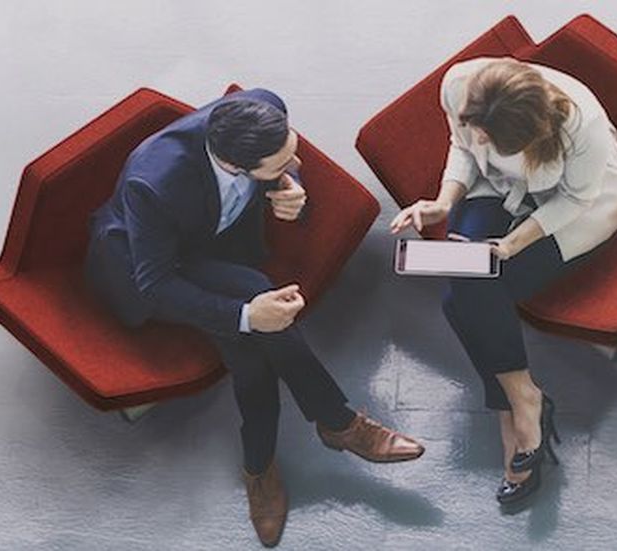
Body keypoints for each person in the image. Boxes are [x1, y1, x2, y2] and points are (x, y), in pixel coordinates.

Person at [86, 88, 425, 547]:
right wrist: (246, 316)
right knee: (254, 308)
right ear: (234, 166)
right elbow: (157, 284)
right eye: (279, 164)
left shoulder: (264, 106)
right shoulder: (154, 184)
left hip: (220, 246)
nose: (294, 159)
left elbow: (290, 165)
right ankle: (334, 425)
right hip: (157, 265)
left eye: (291, 148)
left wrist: (291, 189)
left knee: (250, 353)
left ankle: (264, 466)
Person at [388, 57, 617, 507]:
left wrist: (512, 244)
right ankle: (523, 399)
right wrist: (443, 204)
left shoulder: (583, 126)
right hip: (498, 187)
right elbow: (463, 148)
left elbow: (576, 199)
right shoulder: (460, 84)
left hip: (574, 208)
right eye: (478, 127)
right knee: (469, 285)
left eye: (489, 134)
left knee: (464, 298)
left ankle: (512, 405)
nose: (479, 137)